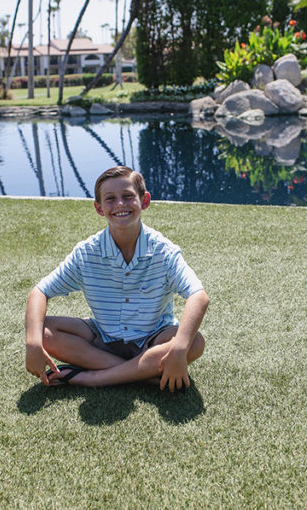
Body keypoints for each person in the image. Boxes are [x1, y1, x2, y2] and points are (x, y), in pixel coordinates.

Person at [25, 165, 210, 392]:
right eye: (110, 199)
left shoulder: (164, 251)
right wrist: (33, 343)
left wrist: (179, 349)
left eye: (128, 196)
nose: (120, 204)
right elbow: (39, 292)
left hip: (153, 340)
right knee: (42, 331)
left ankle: (93, 378)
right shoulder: (86, 253)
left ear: (144, 201)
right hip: (103, 340)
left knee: (194, 342)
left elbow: (198, 296)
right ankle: (141, 375)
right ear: (99, 208)